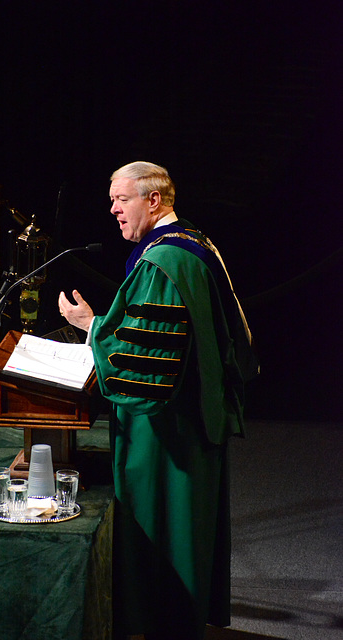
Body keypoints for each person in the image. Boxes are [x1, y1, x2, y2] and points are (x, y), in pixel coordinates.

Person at [58, 161, 258, 640]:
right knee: (186, 530)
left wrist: (91, 327)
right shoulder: (193, 243)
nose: (113, 210)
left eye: (121, 200)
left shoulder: (166, 262)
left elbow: (148, 358)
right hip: (190, 415)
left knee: (168, 530)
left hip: (168, 428)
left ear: (154, 200)